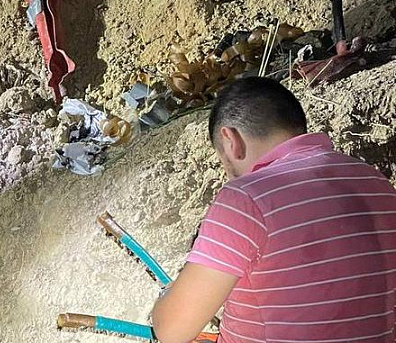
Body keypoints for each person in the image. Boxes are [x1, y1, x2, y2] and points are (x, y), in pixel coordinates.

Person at [152, 77, 396, 343]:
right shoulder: (375, 180)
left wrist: (168, 294)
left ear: (231, 140)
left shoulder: (246, 198)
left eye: (225, 163)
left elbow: (172, 331)